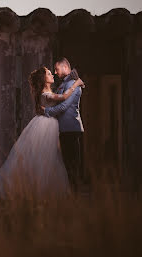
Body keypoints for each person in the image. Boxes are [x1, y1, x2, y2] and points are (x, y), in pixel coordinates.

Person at [0, 66, 84, 201]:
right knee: (44, 157)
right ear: (44, 79)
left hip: (49, 124)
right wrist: (76, 84)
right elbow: (63, 97)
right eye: (49, 74)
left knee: (50, 157)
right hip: (46, 125)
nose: (52, 75)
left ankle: (45, 192)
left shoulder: (48, 91)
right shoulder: (46, 94)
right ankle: (38, 191)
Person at [40, 57, 84, 192]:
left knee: (72, 164)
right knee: (66, 163)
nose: (55, 72)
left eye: (57, 69)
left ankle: (74, 194)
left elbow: (64, 106)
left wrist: (47, 111)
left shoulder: (73, 84)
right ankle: (69, 192)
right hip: (64, 129)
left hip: (70, 128)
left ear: (65, 68)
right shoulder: (65, 85)